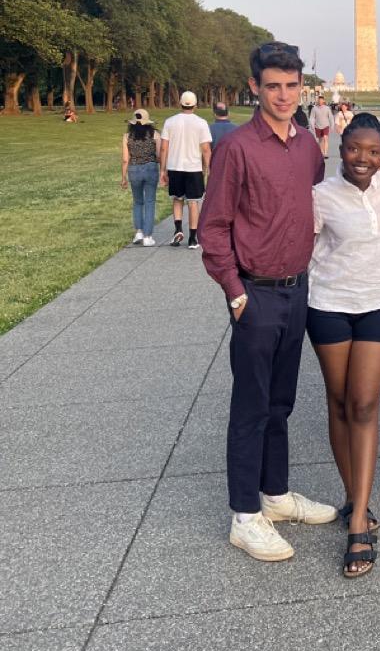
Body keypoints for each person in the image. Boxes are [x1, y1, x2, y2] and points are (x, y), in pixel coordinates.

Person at [197, 41, 336, 561]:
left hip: (297, 290)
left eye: (291, 85)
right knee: (251, 406)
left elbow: (323, 205)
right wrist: (235, 293)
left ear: (303, 87)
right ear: (254, 86)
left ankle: (275, 496)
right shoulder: (237, 147)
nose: (282, 95)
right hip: (254, 293)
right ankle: (244, 515)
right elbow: (213, 228)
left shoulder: (305, 147)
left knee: (281, 403)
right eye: (272, 85)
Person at [308, 113, 380, 579]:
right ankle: (352, 496)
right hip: (328, 306)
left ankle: (359, 520)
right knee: (340, 402)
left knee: (364, 404)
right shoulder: (320, 197)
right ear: (340, 149)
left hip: (378, 305)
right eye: (353, 149)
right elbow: (300, 247)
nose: (362, 159)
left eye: (372, 151)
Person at [159, 92, 212, 248]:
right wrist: (209, 169)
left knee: (177, 199)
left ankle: (177, 230)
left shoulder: (170, 122)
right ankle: (193, 238)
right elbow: (206, 149)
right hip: (193, 168)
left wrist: (162, 170)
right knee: (193, 202)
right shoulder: (201, 123)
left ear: (179, 104)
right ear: (195, 105)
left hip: (174, 167)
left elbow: (163, 148)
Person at [120, 107, 161, 247]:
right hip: (150, 168)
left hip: (134, 169)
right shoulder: (155, 135)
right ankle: (148, 236)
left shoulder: (126, 137)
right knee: (150, 201)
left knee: (138, 201)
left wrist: (123, 177)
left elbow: (125, 159)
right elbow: (159, 156)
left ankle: (138, 231)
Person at [309, 92, 334, 157]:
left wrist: (332, 126)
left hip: (325, 126)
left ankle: (325, 153)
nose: (320, 101)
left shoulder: (327, 108)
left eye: (321, 100)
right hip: (317, 126)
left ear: (323, 101)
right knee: (320, 141)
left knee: (325, 139)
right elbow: (312, 118)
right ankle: (322, 152)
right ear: (317, 101)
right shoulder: (314, 108)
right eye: (319, 100)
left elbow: (331, 117)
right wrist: (312, 125)